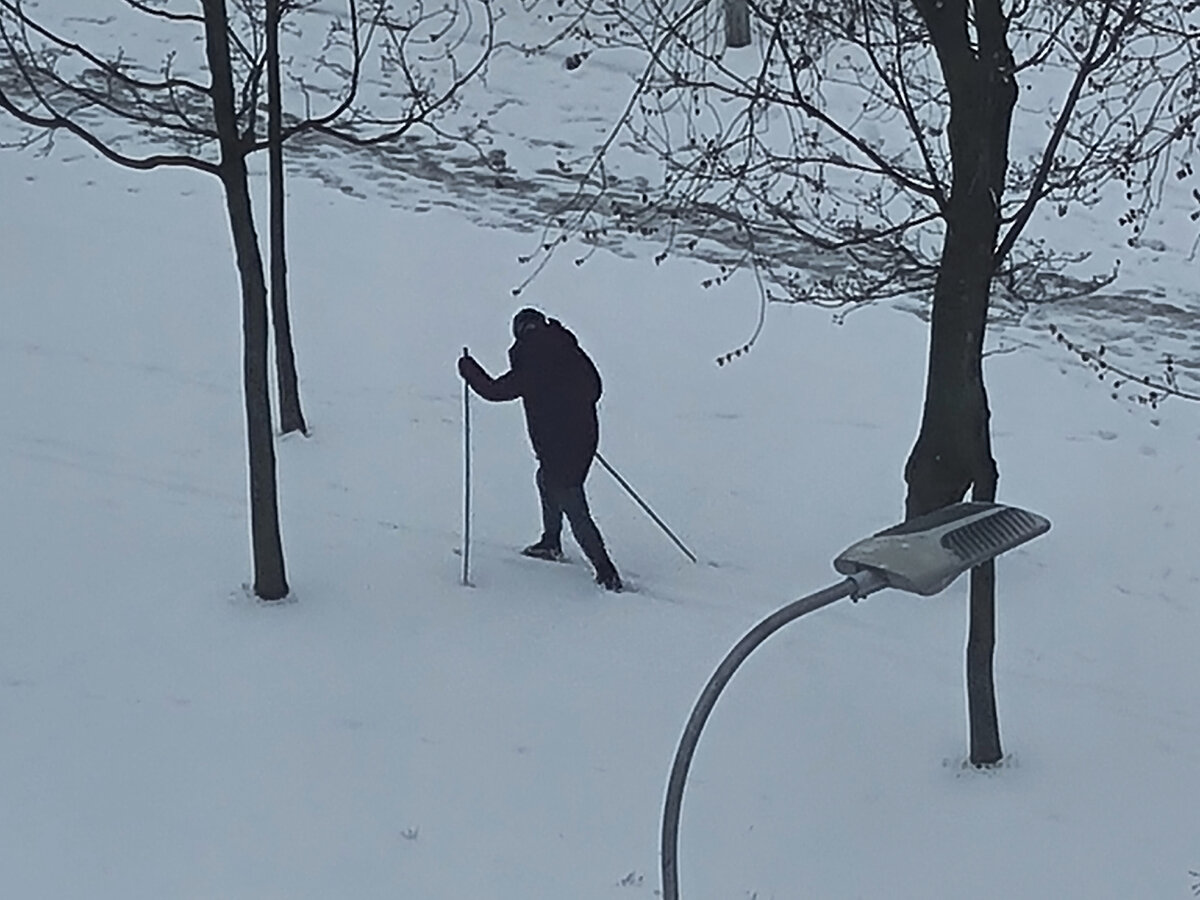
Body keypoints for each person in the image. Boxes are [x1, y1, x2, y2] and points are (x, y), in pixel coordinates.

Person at [458, 308, 623, 592]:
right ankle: (550, 542)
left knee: (571, 500)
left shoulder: (533, 359)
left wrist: (469, 370)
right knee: (546, 480)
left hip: (560, 443)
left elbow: (495, 391)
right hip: (583, 435)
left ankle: (606, 571)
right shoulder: (568, 350)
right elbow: (595, 389)